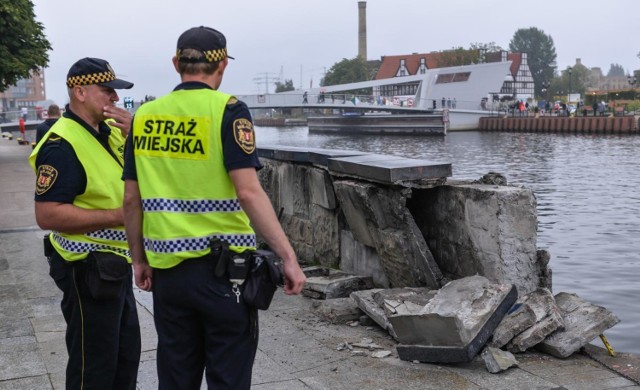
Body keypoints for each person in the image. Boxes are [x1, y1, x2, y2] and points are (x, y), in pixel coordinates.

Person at [122, 26, 306, 389]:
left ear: (177, 64)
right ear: (221, 65)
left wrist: (138, 258)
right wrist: (287, 256)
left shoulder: (144, 116)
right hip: (224, 276)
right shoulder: (229, 110)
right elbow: (249, 193)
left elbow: (131, 199)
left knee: (176, 377)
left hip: (168, 276)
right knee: (228, 377)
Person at [28, 57, 140, 389]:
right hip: (86, 269)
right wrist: (121, 216)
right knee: (93, 366)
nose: (115, 99)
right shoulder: (61, 145)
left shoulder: (110, 133)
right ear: (80, 92)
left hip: (116, 265)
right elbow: (47, 215)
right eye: (108, 91)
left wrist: (136, 135)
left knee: (125, 357)